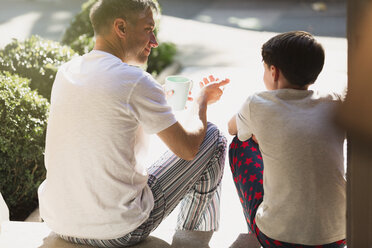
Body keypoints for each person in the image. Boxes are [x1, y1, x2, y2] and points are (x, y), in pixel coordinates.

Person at [38, 0, 230, 246]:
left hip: (60, 224)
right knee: (213, 138)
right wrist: (201, 100)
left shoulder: (67, 71)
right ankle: (192, 238)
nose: (154, 41)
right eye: (148, 29)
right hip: (118, 232)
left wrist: (156, 96)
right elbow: (188, 149)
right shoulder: (136, 81)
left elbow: (106, 105)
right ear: (121, 27)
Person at [227, 31, 346, 247]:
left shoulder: (257, 103)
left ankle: (255, 233)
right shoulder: (335, 103)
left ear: (274, 72)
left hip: (279, 239)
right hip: (337, 236)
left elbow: (231, 127)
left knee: (240, 143)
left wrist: (258, 134)